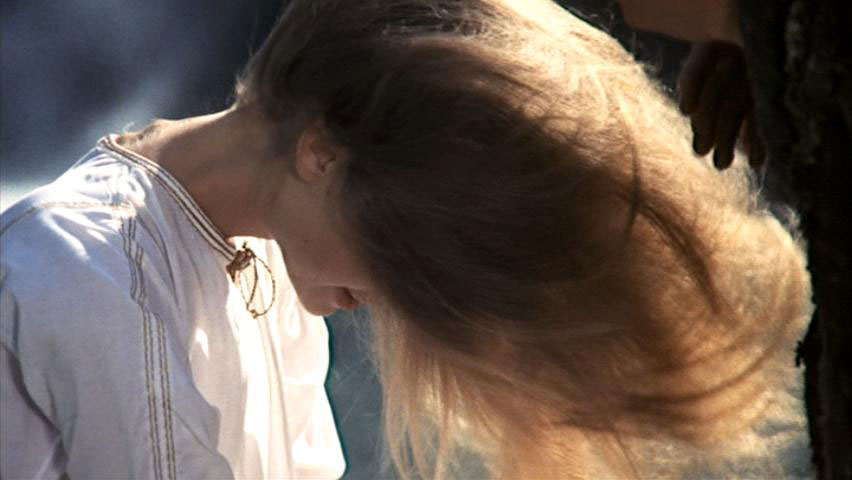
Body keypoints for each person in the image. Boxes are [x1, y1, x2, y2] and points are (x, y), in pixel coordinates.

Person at [0, 0, 813, 478]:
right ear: (323, 152)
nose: (393, 297)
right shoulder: (80, 275)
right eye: (410, 248)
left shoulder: (267, 253)